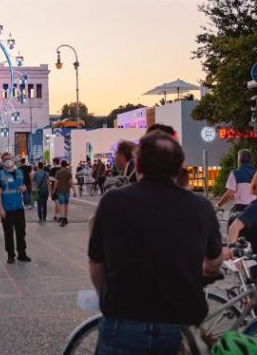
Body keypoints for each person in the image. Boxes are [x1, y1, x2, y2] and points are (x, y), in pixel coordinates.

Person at [88, 132, 223, 354]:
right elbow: (213, 261)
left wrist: (107, 299)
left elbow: (96, 262)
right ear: (179, 167)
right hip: (179, 326)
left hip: (123, 321)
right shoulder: (200, 207)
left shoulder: (113, 202)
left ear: (138, 165)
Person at [0, 152, 30, 264]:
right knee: (8, 233)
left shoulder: (20, 172)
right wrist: (0, 209)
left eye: (9, 158)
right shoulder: (0, 175)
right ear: (2, 162)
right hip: (7, 208)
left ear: (13, 159)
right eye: (5, 159)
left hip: (19, 207)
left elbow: (24, 187)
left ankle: (22, 254)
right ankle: (11, 255)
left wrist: (24, 188)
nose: (8, 160)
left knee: (21, 231)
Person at [216, 149, 257, 224]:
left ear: (239, 160)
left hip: (240, 210)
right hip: (254, 209)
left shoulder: (235, 173)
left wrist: (219, 204)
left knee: (233, 229)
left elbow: (230, 193)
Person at [54, 160, 76, 227]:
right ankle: (66, 218)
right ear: (66, 165)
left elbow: (56, 182)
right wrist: (74, 191)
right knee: (66, 204)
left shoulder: (58, 172)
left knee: (62, 205)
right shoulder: (69, 172)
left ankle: (63, 218)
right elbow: (71, 182)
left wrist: (54, 189)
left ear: (61, 164)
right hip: (67, 191)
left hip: (60, 190)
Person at [48, 157, 61, 221]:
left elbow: (50, 180)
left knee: (57, 202)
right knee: (57, 202)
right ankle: (55, 215)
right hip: (63, 187)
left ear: (55, 162)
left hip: (55, 188)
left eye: (53, 162)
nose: (52, 163)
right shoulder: (62, 168)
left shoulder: (52, 169)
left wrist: (51, 190)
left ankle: (60, 216)